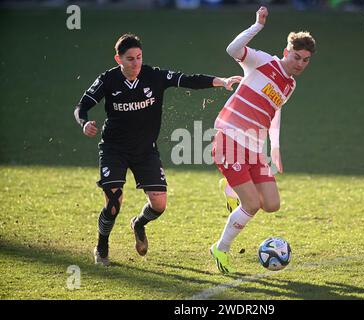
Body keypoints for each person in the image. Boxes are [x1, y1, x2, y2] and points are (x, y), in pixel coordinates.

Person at [74, 33, 241, 266]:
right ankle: (102, 246)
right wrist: (85, 123)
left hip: (145, 151)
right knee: (113, 203)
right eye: (130, 59)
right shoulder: (108, 80)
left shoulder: (154, 76)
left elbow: (188, 80)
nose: (136, 63)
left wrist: (221, 81)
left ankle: (139, 224)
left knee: (159, 205)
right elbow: (82, 106)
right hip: (114, 149)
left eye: (139, 57)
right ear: (118, 59)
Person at [210, 6, 316, 274]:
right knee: (252, 205)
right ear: (286, 52)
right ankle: (220, 248)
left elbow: (273, 113)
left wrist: (275, 147)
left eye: (305, 60)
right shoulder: (263, 62)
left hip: (255, 147)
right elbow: (233, 50)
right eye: (296, 57)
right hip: (230, 137)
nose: (300, 63)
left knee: (271, 204)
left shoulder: (290, 85)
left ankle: (232, 187)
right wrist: (257, 26)